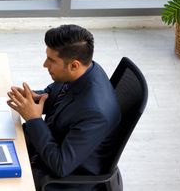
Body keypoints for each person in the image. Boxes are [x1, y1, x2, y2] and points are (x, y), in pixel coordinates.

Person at [7, 25, 121, 191]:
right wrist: (34, 98)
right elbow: (56, 92)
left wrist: (34, 119)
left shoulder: (95, 112)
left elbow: (60, 165)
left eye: (52, 61)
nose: (45, 64)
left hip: (59, 179)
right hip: (45, 147)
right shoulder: (85, 69)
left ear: (74, 65)